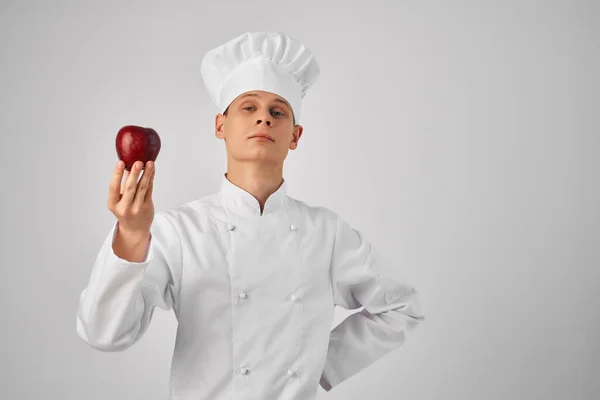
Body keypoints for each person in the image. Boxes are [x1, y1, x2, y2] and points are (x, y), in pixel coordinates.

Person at [76, 31, 425, 400]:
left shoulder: (327, 232)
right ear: (220, 126)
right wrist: (131, 233)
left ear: (295, 135)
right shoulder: (180, 231)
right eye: (248, 107)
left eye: (278, 111)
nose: (264, 119)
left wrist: (319, 363)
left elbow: (403, 308)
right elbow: (104, 334)